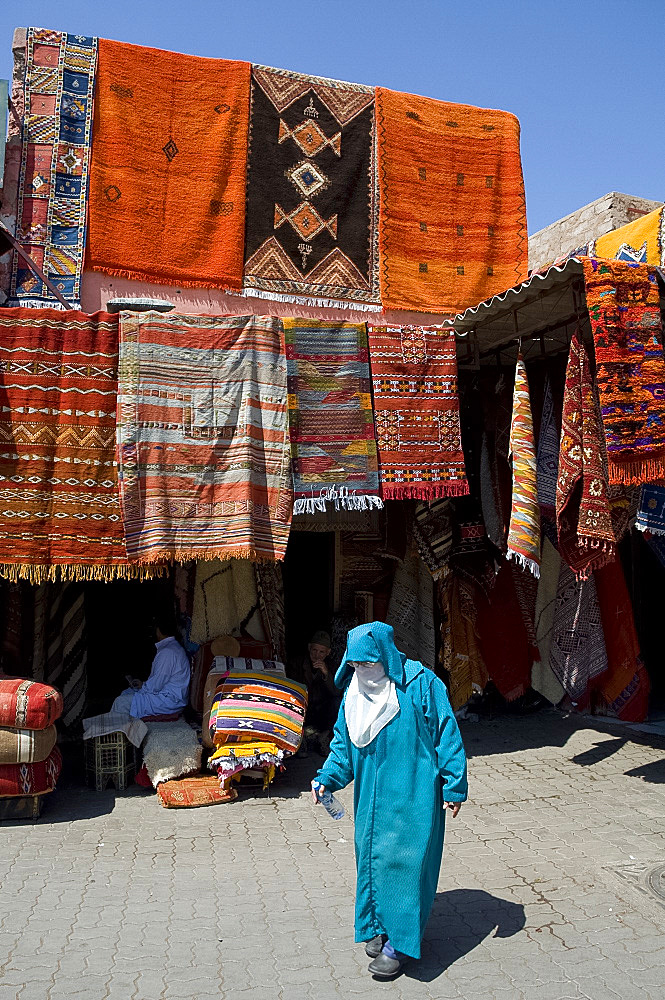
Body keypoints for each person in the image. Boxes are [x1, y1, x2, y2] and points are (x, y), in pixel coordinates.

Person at [311, 621, 467, 979]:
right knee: (372, 860)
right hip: (370, 800)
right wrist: (327, 779)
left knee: (405, 866)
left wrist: (455, 786)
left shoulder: (422, 684)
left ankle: (401, 944)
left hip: (414, 795)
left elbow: (447, 732)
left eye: (368, 664)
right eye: (355, 665)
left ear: (385, 656)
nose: (361, 672)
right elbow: (342, 744)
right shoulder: (354, 692)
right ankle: (379, 926)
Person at [111, 611, 191, 719]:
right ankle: (125, 729)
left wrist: (142, 689)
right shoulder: (173, 647)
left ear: (158, 630)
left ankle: (119, 733)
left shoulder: (167, 652)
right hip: (170, 698)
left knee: (121, 702)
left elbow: (156, 685)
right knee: (125, 693)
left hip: (169, 701)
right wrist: (142, 685)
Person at [288, 630, 340, 755]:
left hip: (322, 708)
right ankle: (300, 740)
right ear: (309, 648)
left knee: (337, 702)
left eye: (321, 652)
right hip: (303, 706)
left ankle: (323, 738)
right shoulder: (297, 663)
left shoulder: (332, 666)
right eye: (314, 650)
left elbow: (336, 691)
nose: (317, 655)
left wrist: (326, 673)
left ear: (328, 653)